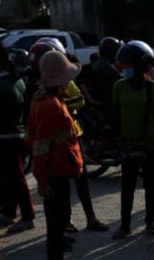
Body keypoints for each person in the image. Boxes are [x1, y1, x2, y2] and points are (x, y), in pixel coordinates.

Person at [27, 38, 107, 232]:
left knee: (78, 183)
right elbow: (40, 142)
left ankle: (85, 219)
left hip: (70, 140)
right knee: (58, 200)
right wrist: (42, 179)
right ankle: (64, 228)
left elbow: (78, 100)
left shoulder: (54, 92)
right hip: (56, 155)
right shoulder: (45, 99)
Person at [27, 50, 87, 260]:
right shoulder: (51, 106)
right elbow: (41, 146)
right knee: (56, 223)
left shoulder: (42, 100)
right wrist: (42, 181)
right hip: (55, 172)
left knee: (57, 223)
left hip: (58, 170)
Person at [110, 40, 154, 238]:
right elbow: (115, 113)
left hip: (150, 144)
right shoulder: (119, 87)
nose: (125, 69)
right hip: (127, 144)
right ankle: (125, 225)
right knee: (127, 186)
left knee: (150, 184)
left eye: (128, 65)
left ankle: (150, 222)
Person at [0, 39, 35, 233]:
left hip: (5, 137)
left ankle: (27, 215)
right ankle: (9, 211)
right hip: (17, 134)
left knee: (14, 177)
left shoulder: (0, 85)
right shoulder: (15, 79)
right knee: (10, 177)